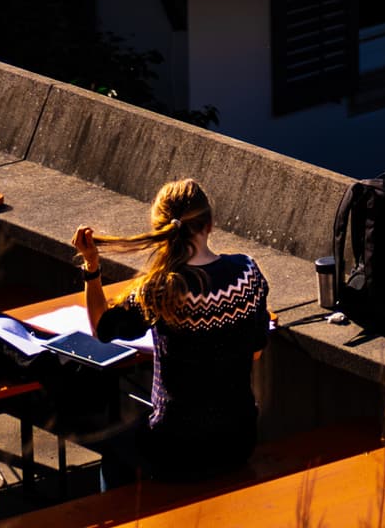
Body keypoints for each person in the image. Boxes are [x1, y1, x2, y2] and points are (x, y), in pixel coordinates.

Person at [71, 177, 271, 483]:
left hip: (176, 447)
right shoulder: (248, 274)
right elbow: (256, 352)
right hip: (238, 440)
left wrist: (92, 267)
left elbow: (102, 328)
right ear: (210, 224)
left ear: (162, 231)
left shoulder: (161, 289)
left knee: (112, 446)